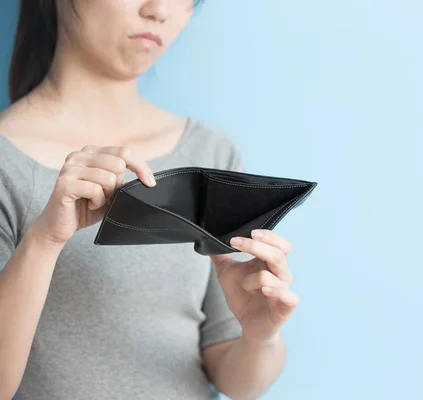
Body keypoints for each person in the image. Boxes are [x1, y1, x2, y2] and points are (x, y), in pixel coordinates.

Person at [0, 1, 300, 399]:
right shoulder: (8, 162)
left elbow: (237, 383)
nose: (159, 9)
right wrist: (42, 242)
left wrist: (260, 337)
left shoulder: (210, 154)